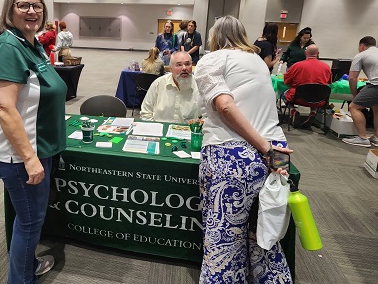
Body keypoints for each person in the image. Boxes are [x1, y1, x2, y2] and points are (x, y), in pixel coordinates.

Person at [194, 15, 293, 283]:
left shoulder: (212, 60)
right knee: (265, 232)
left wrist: (263, 147)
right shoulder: (259, 63)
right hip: (278, 152)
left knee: (224, 240)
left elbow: (224, 105)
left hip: (236, 155)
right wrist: (271, 150)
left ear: (214, 37)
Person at [0, 0, 67, 283]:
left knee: (29, 220)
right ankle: (21, 279)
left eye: (37, 5)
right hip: (21, 157)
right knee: (30, 223)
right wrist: (30, 158)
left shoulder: (30, 44)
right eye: (23, 5)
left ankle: (27, 267)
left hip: (40, 149)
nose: (31, 10)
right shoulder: (8, 47)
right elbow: (4, 108)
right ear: (10, 9)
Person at [140, 51, 200, 123]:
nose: (184, 68)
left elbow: (207, 117)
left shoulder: (200, 86)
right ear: (171, 68)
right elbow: (146, 113)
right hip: (159, 131)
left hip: (189, 132)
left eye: (187, 64)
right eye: (179, 65)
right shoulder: (158, 84)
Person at [283, 44, 332, 128]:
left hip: (298, 98)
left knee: (284, 94)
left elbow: (286, 81)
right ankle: (313, 112)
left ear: (305, 53)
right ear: (318, 53)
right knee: (316, 94)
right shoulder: (326, 67)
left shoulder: (296, 66)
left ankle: (293, 111)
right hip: (319, 99)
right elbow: (329, 82)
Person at [342, 36, 378, 147]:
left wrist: (354, 95)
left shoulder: (361, 55)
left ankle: (362, 138)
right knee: (376, 108)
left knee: (354, 107)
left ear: (362, 46)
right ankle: (376, 137)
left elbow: (352, 78)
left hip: (376, 85)